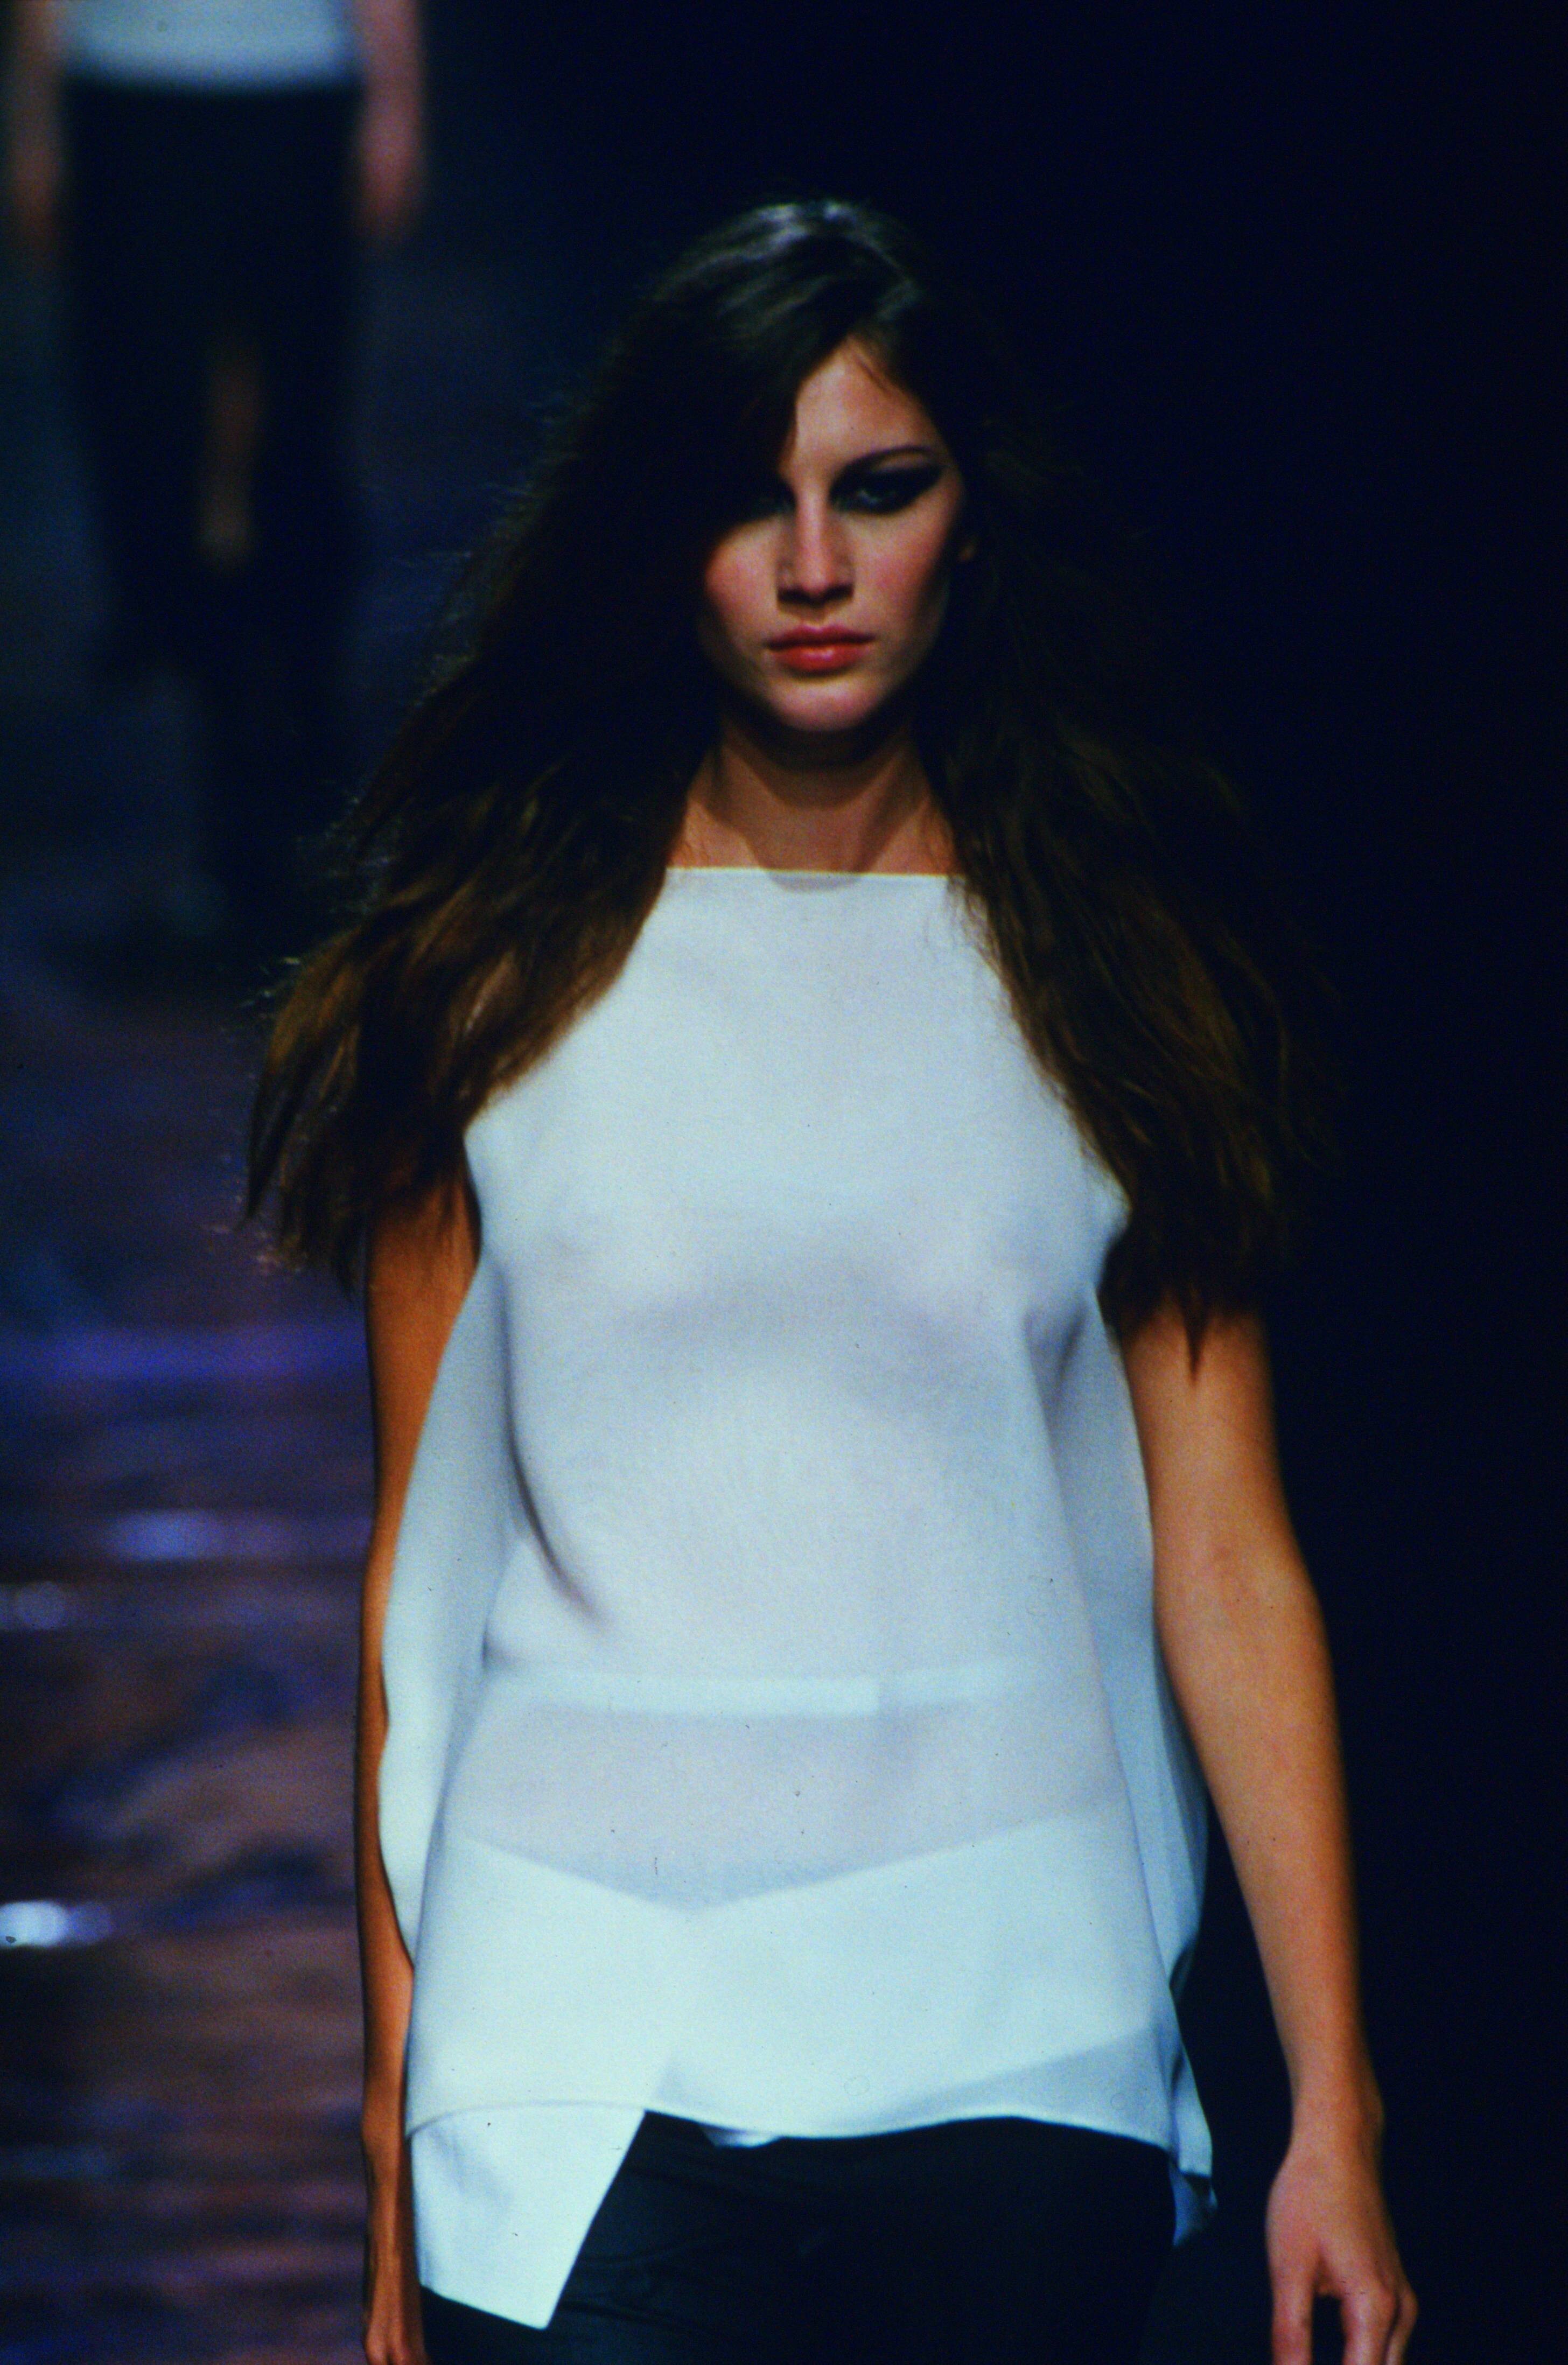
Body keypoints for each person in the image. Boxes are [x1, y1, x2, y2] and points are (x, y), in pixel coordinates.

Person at [248, 201, 1417, 2364]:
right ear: (662, 540)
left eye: (876, 490)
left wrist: (1328, 2114)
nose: (812, 566)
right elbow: (428, 1575)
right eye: (746, 499)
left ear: (969, 522)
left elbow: (1226, 1559)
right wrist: (396, 2119)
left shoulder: (1111, 984)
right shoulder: (485, 984)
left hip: (1011, 2014)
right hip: (572, 2025)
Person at [4, 0, 423, 956]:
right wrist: (34, 119)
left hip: (294, 86)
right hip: (123, 89)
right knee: (150, 439)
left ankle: (290, 788)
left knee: (291, 440)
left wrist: (397, 98)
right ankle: (238, 799)